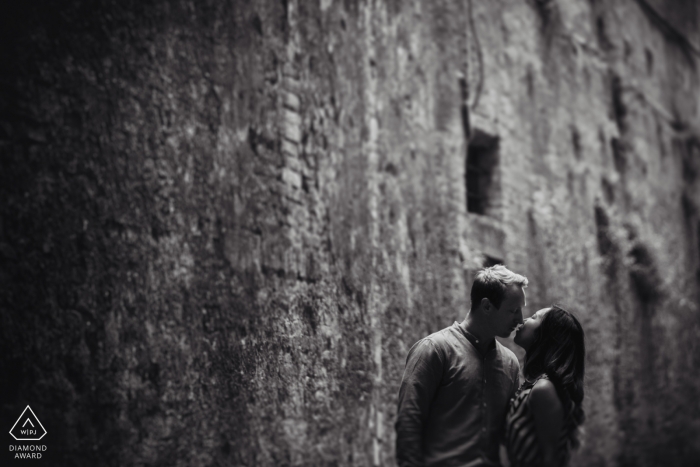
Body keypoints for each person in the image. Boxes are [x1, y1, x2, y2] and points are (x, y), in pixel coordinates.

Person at [395, 265, 528, 467]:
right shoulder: (434, 350)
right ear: (486, 306)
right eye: (513, 310)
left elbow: (509, 434)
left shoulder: (510, 364)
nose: (520, 319)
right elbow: (409, 423)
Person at [506, 305, 586, 467]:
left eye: (534, 317)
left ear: (546, 336)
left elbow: (551, 460)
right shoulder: (534, 384)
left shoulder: (544, 389)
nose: (524, 320)